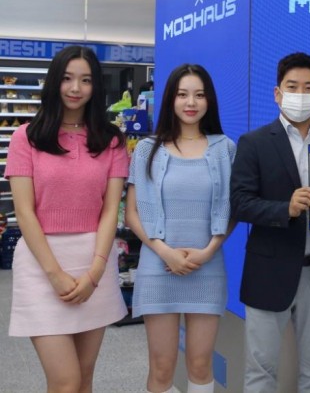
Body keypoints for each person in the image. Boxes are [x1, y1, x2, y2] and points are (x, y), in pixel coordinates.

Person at [6, 45, 128, 392]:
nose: (76, 88)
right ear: (54, 81)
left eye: (86, 80)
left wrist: (95, 272)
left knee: (84, 379)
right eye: (67, 78)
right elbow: (24, 212)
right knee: (65, 381)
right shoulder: (25, 138)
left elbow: (110, 209)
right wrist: (54, 274)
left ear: (96, 86)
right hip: (42, 264)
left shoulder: (112, 141)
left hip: (95, 262)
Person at [230, 52, 310, 393]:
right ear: (277, 93)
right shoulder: (253, 143)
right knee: (261, 371)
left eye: (309, 87)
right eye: (292, 87)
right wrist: (286, 208)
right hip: (269, 271)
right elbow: (240, 203)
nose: (301, 94)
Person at [125, 64, 236, 393]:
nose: (191, 102)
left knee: (201, 364)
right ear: (170, 99)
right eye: (182, 94)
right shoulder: (147, 149)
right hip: (158, 267)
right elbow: (132, 214)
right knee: (162, 368)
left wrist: (208, 251)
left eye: (199, 95)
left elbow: (232, 211)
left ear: (209, 100)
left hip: (207, 266)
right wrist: (166, 253)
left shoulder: (225, 149)